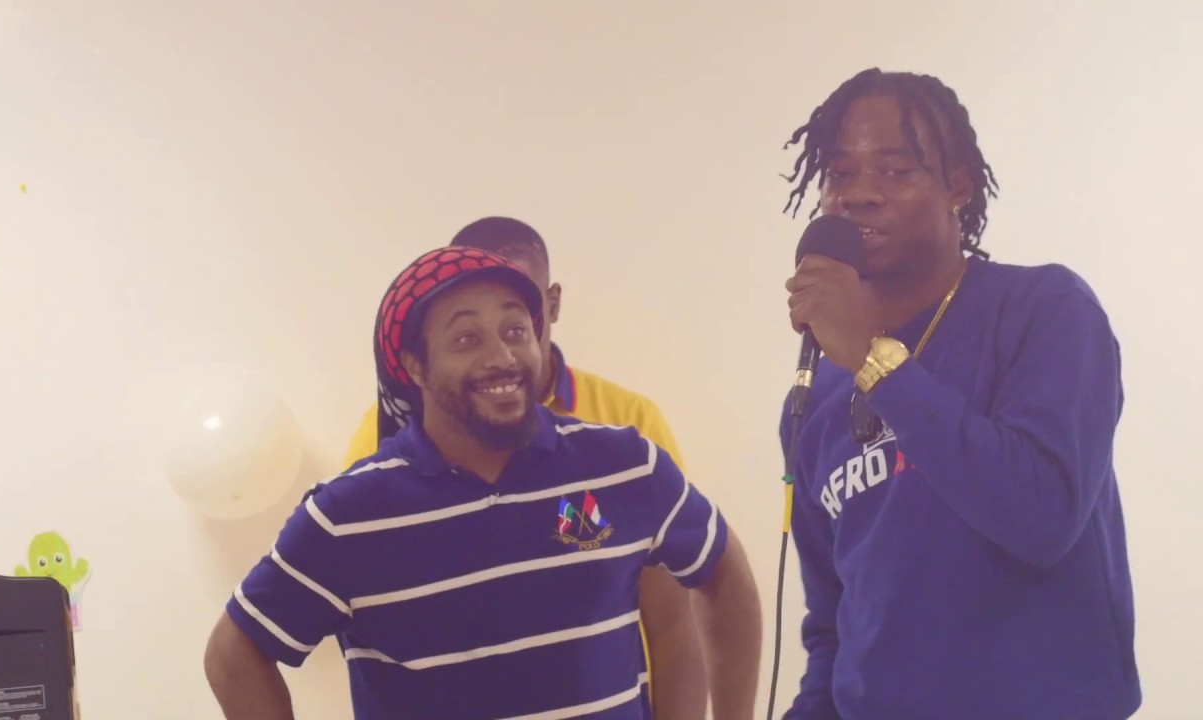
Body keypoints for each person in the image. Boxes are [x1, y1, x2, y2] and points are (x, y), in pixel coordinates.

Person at [204, 246, 763, 719]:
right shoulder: (350, 514)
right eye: (466, 339)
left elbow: (722, 572)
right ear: (415, 366)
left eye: (516, 330)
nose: (502, 356)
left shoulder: (623, 464)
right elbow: (234, 656)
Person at [776, 67, 1141, 719]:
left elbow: (1041, 516)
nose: (859, 194)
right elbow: (832, 623)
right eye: (840, 173)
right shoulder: (817, 396)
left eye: (894, 170)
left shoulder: (1045, 311)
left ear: (957, 187)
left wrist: (874, 361)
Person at [342, 216, 711, 718]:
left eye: (514, 319)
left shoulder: (627, 429)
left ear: (550, 304)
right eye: (467, 332)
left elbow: (674, 621)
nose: (498, 353)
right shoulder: (382, 439)